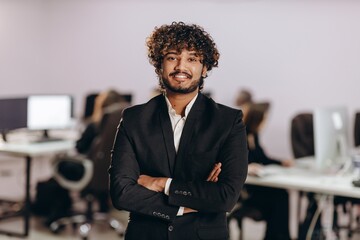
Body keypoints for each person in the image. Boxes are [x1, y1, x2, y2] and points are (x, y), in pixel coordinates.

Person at [109, 22, 248, 240]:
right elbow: (122, 192)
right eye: (172, 57)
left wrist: (160, 183)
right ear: (159, 65)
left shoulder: (228, 121)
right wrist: (190, 201)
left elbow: (225, 196)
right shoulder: (134, 119)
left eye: (192, 59)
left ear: (205, 68)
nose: (181, 66)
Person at [232, 102, 293, 240]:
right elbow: (232, 162)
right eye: (264, 119)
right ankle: (277, 236)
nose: (266, 123)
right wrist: (247, 168)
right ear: (257, 119)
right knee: (279, 198)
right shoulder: (240, 135)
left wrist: (281, 162)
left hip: (258, 186)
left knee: (282, 194)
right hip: (246, 190)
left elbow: (263, 158)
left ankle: (278, 236)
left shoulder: (254, 135)